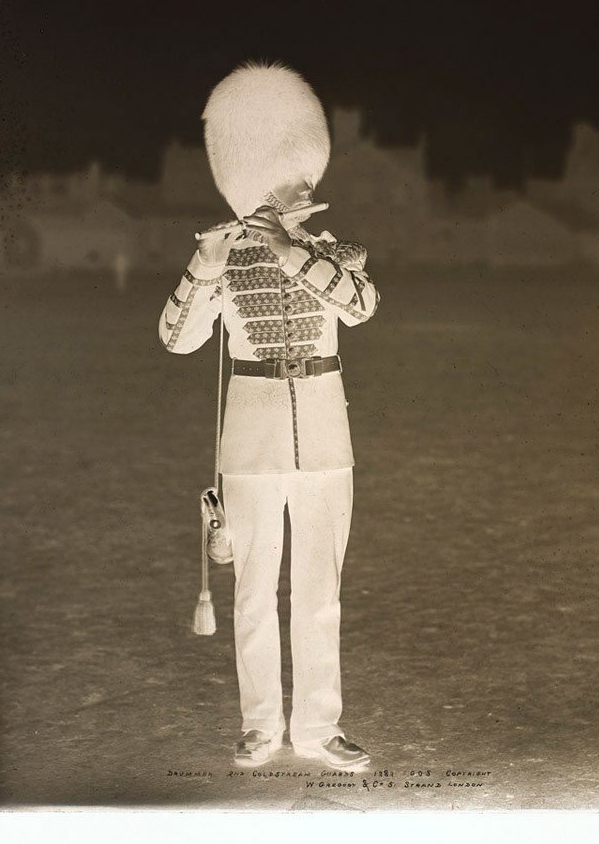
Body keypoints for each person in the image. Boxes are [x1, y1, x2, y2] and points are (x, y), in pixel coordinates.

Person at [159, 61, 379, 770]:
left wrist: (289, 252)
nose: (305, 183)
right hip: (250, 444)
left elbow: (359, 306)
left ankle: (318, 729)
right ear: (258, 177)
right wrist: (202, 267)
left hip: (324, 437)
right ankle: (260, 726)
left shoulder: (336, 252)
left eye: (306, 172)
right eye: (291, 175)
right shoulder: (223, 260)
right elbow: (176, 338)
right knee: (254, 590)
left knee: (319, 593)